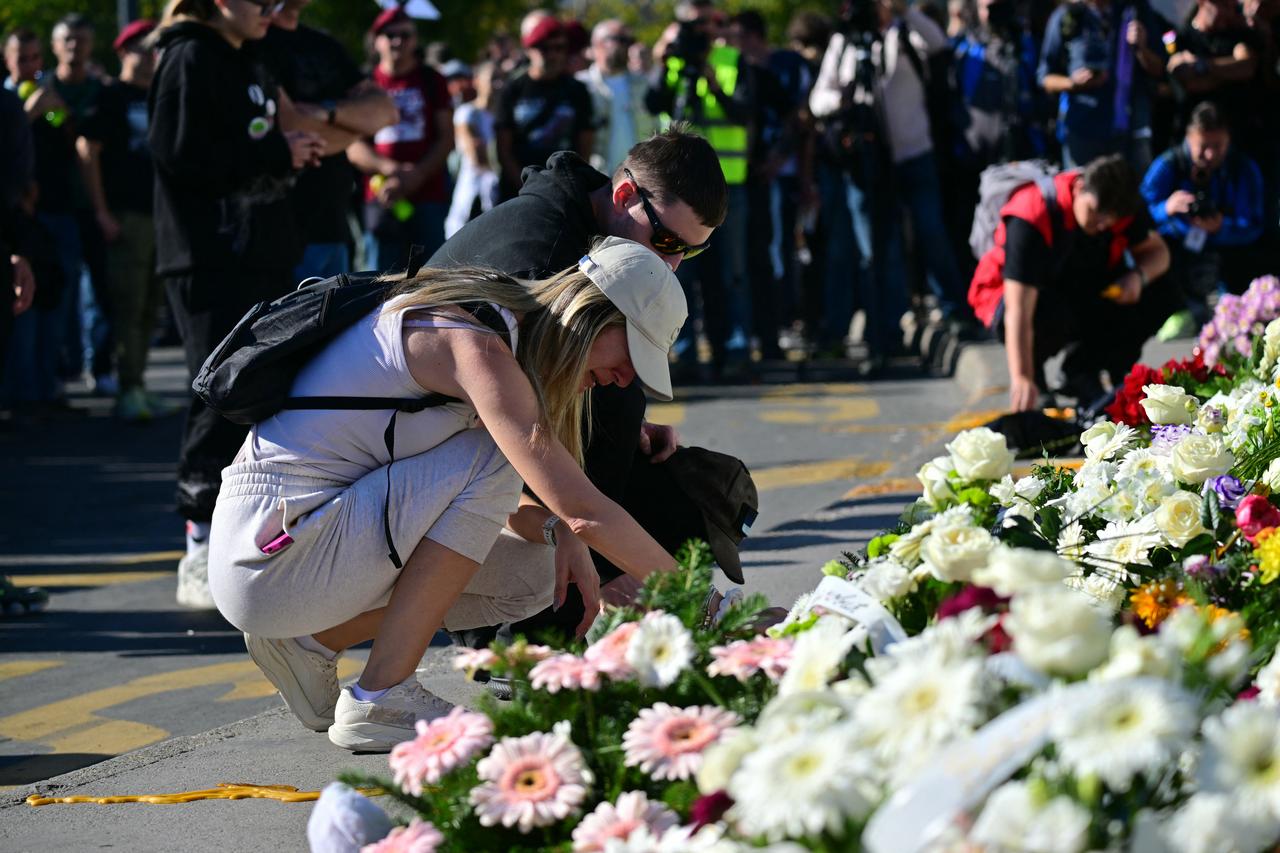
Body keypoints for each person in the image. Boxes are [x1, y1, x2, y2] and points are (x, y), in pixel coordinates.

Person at [210, 237, 687, 751]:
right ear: (590, 316)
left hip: (293, 543)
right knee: (497, 457)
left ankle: (309, 642)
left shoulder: (496, 330)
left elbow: (487, 506)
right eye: (631, 353)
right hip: (272, 555)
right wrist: (701, 602)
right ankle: (383, 696)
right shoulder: (473, 344)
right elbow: (583, 509)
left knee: (538, 574)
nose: (624, 380)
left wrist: (558, 532)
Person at [429, 127, 732, 645]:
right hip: (433, 463)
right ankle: (521, 632)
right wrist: (611, 568)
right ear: (623, 196)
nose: (672, 264)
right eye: (666, 241)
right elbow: (516, 443)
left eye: (691, 253)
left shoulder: (589, 230)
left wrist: (631, 422)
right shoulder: (538, 260)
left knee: (687, 495)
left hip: (480, 450)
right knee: (599, 517)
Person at [149, 0, 326, 609]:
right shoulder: (189, 56)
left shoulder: (250, 57)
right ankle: (197, 545)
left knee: (263, 391)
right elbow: (179, 154)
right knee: (217, 390)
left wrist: (290, 144)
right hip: (209, 255)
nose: (273, 9)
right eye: (261, 0)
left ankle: (245, 539)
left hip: (260, 251)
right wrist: (276, 153)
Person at [810, 0, 975, 370]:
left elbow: (939, 46)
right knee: (877, 250)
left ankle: (956, 310)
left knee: (930, 231)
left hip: (914, 153)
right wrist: (843, 97)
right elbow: (818, 98)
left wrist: (905, 12)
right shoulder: (846, 44)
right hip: (868, 162)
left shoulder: (907, 32)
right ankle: (885, 331)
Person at [968, 154, 1173, 411]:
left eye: (1110, 220)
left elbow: (1159, 254)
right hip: (1013, 298)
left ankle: (1082, 372)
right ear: (1079, 188)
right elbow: (1017, 310)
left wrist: (1138, 277)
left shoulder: (1120, 204)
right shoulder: (1031, 214)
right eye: (1095, 213)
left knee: (1163, 291)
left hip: (1078, 286)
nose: (1102, 224)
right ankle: (1036, 380)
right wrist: (1021, 377)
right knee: (1050, 315)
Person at [647, 0, 756, 375]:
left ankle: (735, 348)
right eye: (692, 27)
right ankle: (686, 352)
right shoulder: (675, 61)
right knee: (679, 273)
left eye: (706, 25)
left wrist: (711, 78)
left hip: (727, 185)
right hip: (677, 187)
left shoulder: (731, 61)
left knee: (730, 274)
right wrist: (662, 62)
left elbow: (744, 111)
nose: (701, 33)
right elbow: (653, 101)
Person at [75, 20, 175, 422]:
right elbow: (87, 150)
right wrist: (101, 211)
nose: (152, 56)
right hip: (125, 216)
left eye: (156, 48)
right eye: (143, 48)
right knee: (127, 305)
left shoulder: (161, 95)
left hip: (160, 218)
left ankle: (140, 385)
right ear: (123, 52)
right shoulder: (109, 96)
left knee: (151, 306)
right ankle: (128, 388)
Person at [261, 0, 398, 281]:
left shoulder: (323, 44)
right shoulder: (256, 41)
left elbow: (386, 110)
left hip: (333, 227)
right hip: (281, 232)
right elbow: (293, 126)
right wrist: (356, 125)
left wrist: (328, 112)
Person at [4, 28, 81, 415]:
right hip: (18, 220)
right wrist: (29, 109)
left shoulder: (45, 93)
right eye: (23, 58)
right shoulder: (8, 99)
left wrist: (61, 114)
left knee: (55, 303)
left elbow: (69, 141)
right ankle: (22, 393)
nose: (31, 66)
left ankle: (46, 387)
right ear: (7, 58)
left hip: (55, 211)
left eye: (36, 58)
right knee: (22, 307)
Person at [1140, 101, 1265, 333]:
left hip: (1226, 253)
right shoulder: (1169, 165)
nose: (1209, 155)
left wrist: (1221, 227)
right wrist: (1166, 208)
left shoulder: (1243, 169)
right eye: (1203, 146)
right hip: (1176, 251)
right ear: (1189, 138)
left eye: (1217, 146)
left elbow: (1255, 224)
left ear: (1228, 140)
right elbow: (1138, 213)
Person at [347, 7, 453, 272]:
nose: (397, 41)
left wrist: (416, 175)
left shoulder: (432, 79)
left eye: (405, 35)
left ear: (415, 40)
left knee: (432, 279)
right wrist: (392, 170)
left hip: (428, 195)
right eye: (389, 34)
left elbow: (446, 138)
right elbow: (352, 144)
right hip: (381, 196)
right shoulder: (365, 83)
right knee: (377, 282)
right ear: (376, 40)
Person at [52, 14, 115, 397]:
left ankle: (101, 365)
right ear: (56, 45)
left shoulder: (102, 93)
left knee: (102, 291)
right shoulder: (41, 90)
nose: (75, 47)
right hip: (55, 205)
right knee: (61, 291)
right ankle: (62, 367)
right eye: (68, 40)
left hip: (94, 205)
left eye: (82, 40)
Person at [1037, 0, 1168, 171]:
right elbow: (1044, 78)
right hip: (1082, 131)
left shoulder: (1134, 10)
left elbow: (1160, 69)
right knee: (1085, 192)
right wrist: (1073, 84)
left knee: (1126, 194)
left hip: (1129, 131)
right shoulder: (1068, 17)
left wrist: (1142, 49)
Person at [494, 14, 595, 200]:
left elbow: (585, 145)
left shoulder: (577, 91)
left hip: (564, 192)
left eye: (559, 48)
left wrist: (573, 185)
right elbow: (503, 150)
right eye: (544, 48)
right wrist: (528, 190)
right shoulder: (512, 90)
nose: (553, 55)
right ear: (530, 49)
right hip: (517, 193)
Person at [1167, 0, 1259, 135]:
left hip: (1235, 130)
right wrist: (1227, 72)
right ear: (1202, 2)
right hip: (1193, 132)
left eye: (1232, 7)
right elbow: (1189, 81)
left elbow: (1246, 66)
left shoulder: (1235, 35)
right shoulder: (1182, 38)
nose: (1228, 12)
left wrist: (1202, 66)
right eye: (1224, 5)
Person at [578, 19, 657, 175]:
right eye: (619, 40)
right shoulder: (581, 85)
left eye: (629, 41)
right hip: (596, 182)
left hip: (639, 183)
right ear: (596, 44)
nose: (626, 45)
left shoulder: (644, 84)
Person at [444, 63, 500, 239]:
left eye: (501, 79)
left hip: (495, 198)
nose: (498, 85)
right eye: (493, 79)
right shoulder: (467, 113)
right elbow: (476, 155)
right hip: (471, 197)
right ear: (477, 81)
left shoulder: (502, 118)